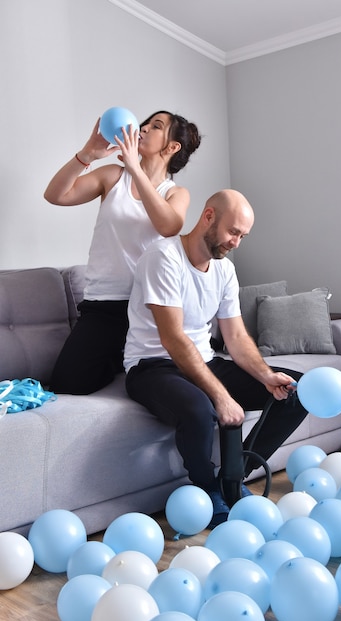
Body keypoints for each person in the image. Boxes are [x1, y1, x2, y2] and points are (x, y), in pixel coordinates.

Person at [123, 189, 308, 528]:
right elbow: (173, 339)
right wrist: (221, 396)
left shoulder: (224, 270)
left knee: (298, 392)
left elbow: (236, 337)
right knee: (200, 410)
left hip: (202, 359)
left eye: (242, 236)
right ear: (208, 216)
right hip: (153, 366)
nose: (236, 242)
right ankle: (209, 490)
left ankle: (233, 478)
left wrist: (266, 376)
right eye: (233, 231)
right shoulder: (163, 257)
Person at [44, 110, 201, 394]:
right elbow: (55, 195)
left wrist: (137, 169)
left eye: (155, 126)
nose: (142, 128)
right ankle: (119, 363)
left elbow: (168, 226)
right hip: (104, 303)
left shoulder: (175, 193)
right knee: (67, 384)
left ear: (172, 146)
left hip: (151, 307)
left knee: (175, 378)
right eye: (144, 123)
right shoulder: (113, 176)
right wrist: (87, 155)